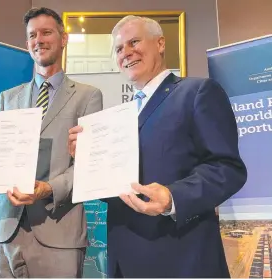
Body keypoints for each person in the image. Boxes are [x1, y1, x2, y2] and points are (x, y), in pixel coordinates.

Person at [68, 15, 247, 278]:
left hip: (181, 258)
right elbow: (119, 189)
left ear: (161, 44)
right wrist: (87, 162)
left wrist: (173, 198)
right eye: (119, 49)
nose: (126, 53)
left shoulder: (197, 92)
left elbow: (228, 168)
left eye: (134, 42)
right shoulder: (120, 116)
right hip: (124, 259)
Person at [0, 7, 103, 278]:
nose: (39, 40)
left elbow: (89, 167)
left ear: (63, 39)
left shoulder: (88, 97)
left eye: (46, 32)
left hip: (59, 234)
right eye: (32, 35)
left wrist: (47, 188)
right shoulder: (7, 98)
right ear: (27, 43)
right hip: (6, 232)